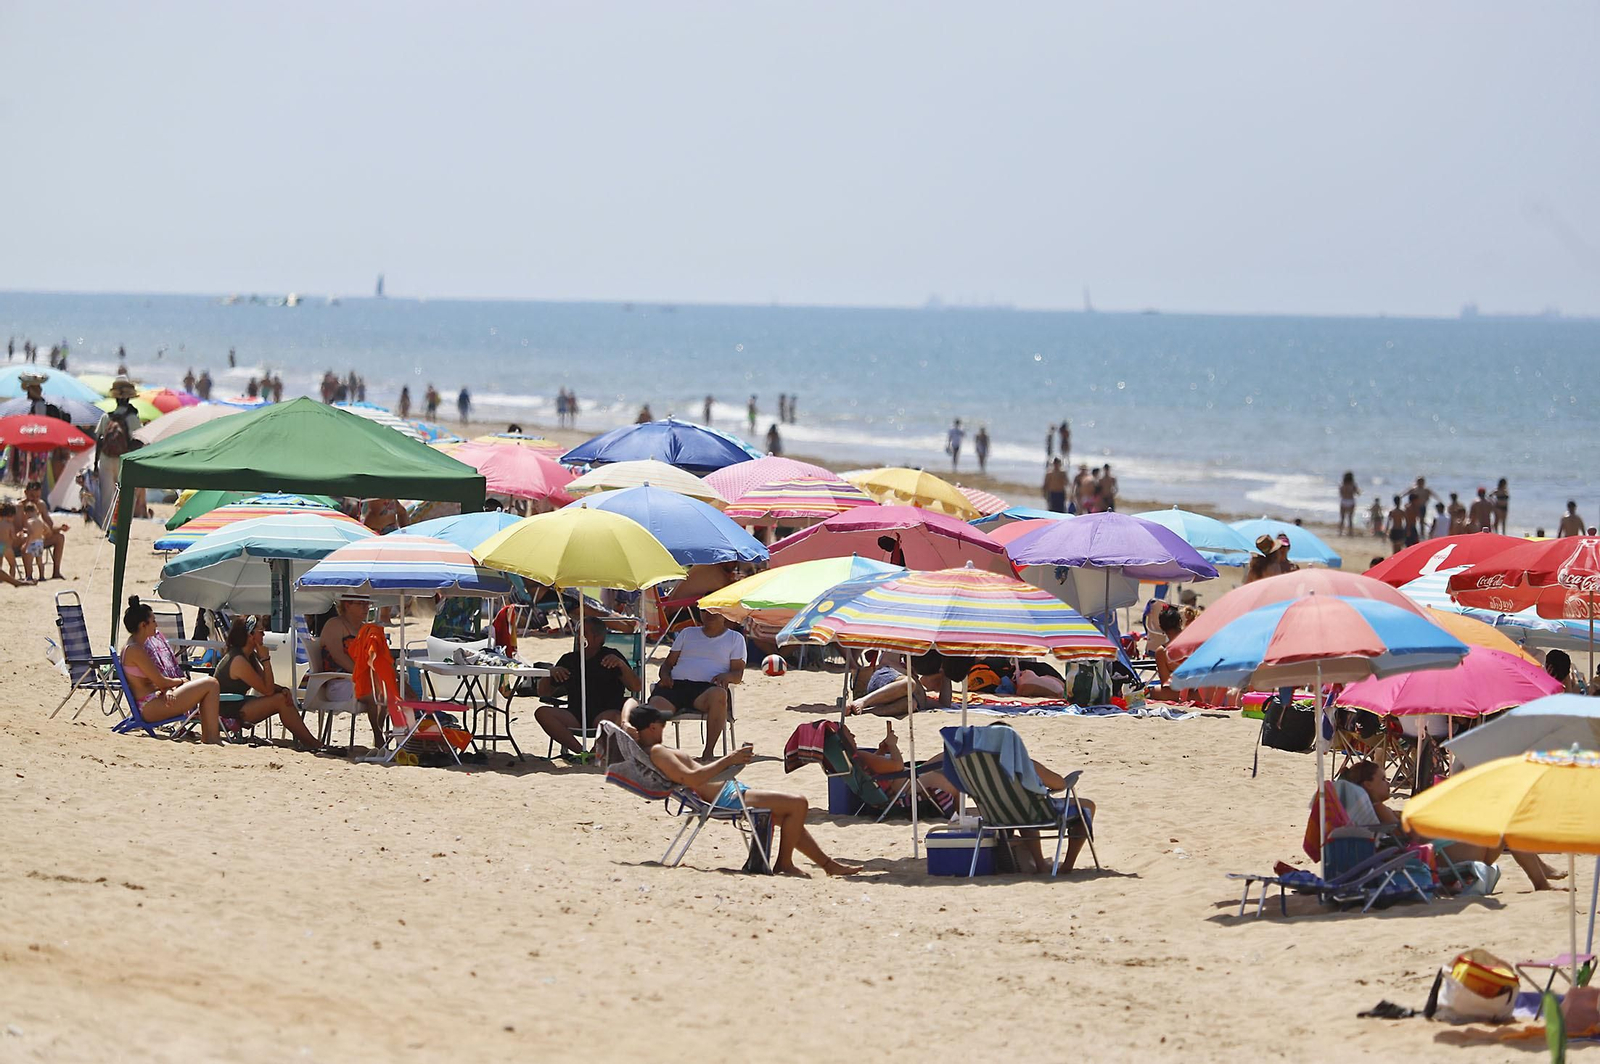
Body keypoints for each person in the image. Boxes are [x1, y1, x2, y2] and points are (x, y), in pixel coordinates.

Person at [629, 704, 860, 877]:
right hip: (726, 798)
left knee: (789, 816)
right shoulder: (658, 752)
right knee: (798, 803)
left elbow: (629, 706)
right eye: (661, 724)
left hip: (728, 789)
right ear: (651, 727)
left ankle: (828, 865)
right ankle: (785, 864)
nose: (665, 727)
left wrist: (626, 723)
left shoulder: (652, 750)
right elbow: (693, 778)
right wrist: (729, 760)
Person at [1334, 760, 1557, 890]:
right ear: (1367, 785)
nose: (1388, 782)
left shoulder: (1379, 811)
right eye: (1382, 779)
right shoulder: (1380, 809)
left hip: (1450, 852)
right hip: (1447, 857)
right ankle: (1541, 881)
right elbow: (1408, 839)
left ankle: (1542, 873)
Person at [535, 615, 641, 759]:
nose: (579, 637)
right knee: (542, 713)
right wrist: (549, 673)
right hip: (576, 714)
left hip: (605, 712)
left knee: (615, 717)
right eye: (578, 633)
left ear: (598, 638)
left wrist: (622, 665)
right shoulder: (569, 659)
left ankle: (595, 751)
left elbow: (635, 687)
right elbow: (544, 693)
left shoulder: (611, 657)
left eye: (583, 633)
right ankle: (581, 752)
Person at [120, 597, 223, 743]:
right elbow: (160, 681)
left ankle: (210, 736)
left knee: (207, 686)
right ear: (143, 625)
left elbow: (154, 681)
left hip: (153, 701)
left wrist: (167, 689)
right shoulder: (135, 650)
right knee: (211, 684)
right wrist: (181, 680)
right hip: (150, 707)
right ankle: (211, 738)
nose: (156, 624)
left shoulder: (136, 646)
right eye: (153, 620)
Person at [214, 616, 323, 750]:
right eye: (261, 631)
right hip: (227, 711)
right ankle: (312, 743)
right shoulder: (238, 660)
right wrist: (265, 659)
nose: (264, 634)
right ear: (250, 635)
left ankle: (310, 742)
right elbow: (267, 690)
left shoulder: (248, 656)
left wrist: (282, 689)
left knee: (282, 698)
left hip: (237, 704)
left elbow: (265, 684)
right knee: (281, 701)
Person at [647, 611, 746, 759]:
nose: (709, 614)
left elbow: (737, 675)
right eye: (705, 611)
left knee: (719, 695)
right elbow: (667, 664)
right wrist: (665, 675)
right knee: (653, 709)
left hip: (706, 689)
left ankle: (708, 752)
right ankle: (650, 752)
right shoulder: (687, 633)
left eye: (714, 611)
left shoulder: (734, 638)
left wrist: (726, 676)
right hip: (676, 686)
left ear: (724, 614)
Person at [317, 597, 385, 740]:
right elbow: (338, 656)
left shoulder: (364, 628)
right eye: (361, 603)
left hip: (357, 680)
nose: (366, 607)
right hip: (337, 682)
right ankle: (379, 739)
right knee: (376, 695)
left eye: (368, 603)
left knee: (396, 691)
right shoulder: (335, 625)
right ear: (347, 605)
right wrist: (365, 676)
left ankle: (406, 737)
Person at [94, 375, 144, 522]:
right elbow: (138, 441)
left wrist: (95, 465)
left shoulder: (106, 417)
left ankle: (107, 524)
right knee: (125, 495)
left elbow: (99, 440)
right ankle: (121, 523)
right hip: (124, 460)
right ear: (129, 399)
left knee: (107, 495)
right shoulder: (133, 418)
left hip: (105, 459)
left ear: (115, 399)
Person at [843, 652, 932, 716]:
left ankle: (867, 711)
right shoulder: (892, 659)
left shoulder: (906, 665)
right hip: (885, 673)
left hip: (893, 690)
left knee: (911, 704)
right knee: (910, 683)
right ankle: (863, 701)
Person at [22, 481, 65, 580]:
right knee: (28, 546)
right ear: (25, 493)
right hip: (25, 539)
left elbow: (49, 526)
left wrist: (59, 528)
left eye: (37, 496)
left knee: (60, 537)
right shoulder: (20, 507)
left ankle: (56, 572)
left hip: (36, 539)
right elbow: (16, 529)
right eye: (32, 496)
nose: (35, 499)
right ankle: (29, 575)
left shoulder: (40, 505)